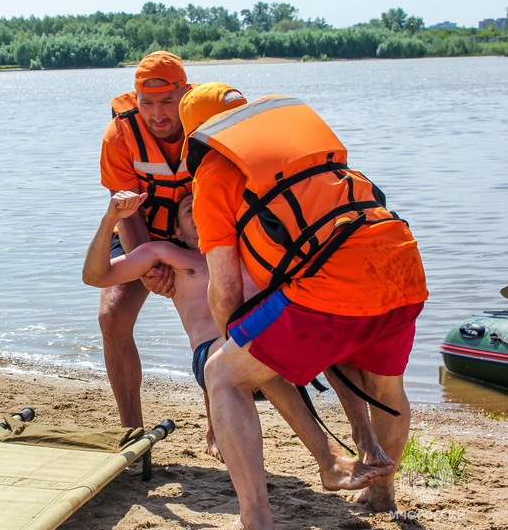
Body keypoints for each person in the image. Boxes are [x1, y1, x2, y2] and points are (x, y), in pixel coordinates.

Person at [180, 83, 429, 530]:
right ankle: (382, 493)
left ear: (199, 134)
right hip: (403, 269)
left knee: (222, 374)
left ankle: (255, 525)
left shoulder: (214, 170)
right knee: (385, 388)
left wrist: (238, 350)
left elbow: (226, 287)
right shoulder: (302, 152)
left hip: (331, 286)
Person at [83, 190, 395, 492]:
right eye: (189, 211)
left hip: (265, 349)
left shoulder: (246, 250)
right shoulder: (167, 255)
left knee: (328, 337)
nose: (198, 214)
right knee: (250, 348)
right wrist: (109, 217)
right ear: (177, 228)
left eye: (203, 207)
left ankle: (365, 439)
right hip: (215, 356)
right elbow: (95, 276)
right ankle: (328, 460)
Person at [98, 51, 193, 429]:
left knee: (216, 319)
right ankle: (131, 428)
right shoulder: (119, 134)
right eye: (148, 104)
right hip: (139, 229)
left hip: (197, 230)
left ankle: (217, 428)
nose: (158, 115)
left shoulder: (209, 123)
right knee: (111, 316)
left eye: (168, 102)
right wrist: (148, 269)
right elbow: (127, 209)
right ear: (136, 100)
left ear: (185, 94)